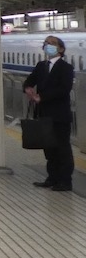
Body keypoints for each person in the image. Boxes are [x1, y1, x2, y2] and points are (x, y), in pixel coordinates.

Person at [23, 35, 74, 191]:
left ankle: (65, 181)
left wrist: (42, 97)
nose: (48, 46)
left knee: (62, 147)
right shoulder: (41, 66)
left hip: (59, 115)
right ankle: (52, 178)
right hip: (44, 114)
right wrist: (27, 88)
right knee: (49, 148)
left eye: (52, 44)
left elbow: (64, 89)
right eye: (46, 44)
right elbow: (30, 80)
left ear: (61, 49)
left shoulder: (66, 68)